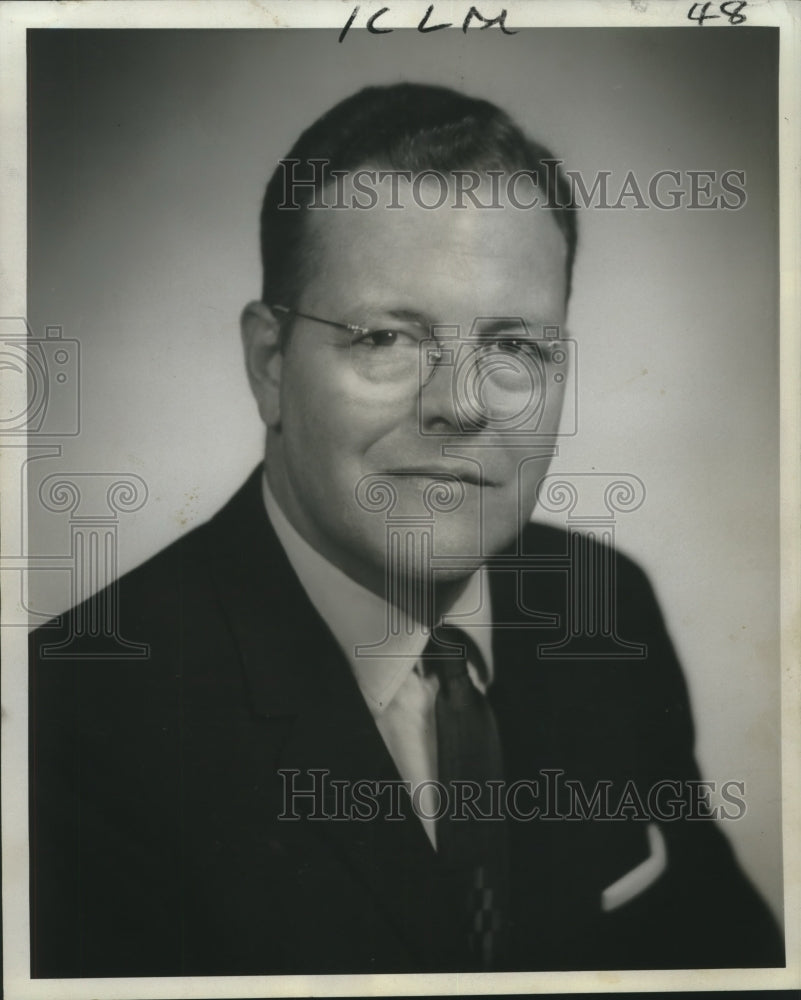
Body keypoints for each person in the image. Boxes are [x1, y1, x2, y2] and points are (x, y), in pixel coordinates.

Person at [29, 82, 783, 977]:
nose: (460, 406)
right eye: (387, 338)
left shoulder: (602, 604)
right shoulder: (77, 722)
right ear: (270, 364)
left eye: (515, 348)